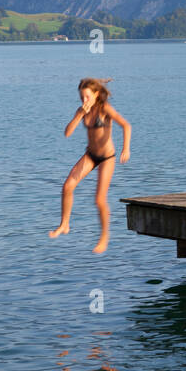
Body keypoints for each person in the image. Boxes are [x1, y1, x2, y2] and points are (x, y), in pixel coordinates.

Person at [50, 77, 132, 254]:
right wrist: (79, 114)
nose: (84, 101)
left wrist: (126, 148)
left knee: (99, 199)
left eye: (87, 97)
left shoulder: (105, 108)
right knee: (67, 187)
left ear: (96, 94)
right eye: (81, 98)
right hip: (90, 155)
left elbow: (126, 125)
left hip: (107, 157)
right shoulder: (82, 111)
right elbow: (67, 133)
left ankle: (104, 237)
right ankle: (64, 224)